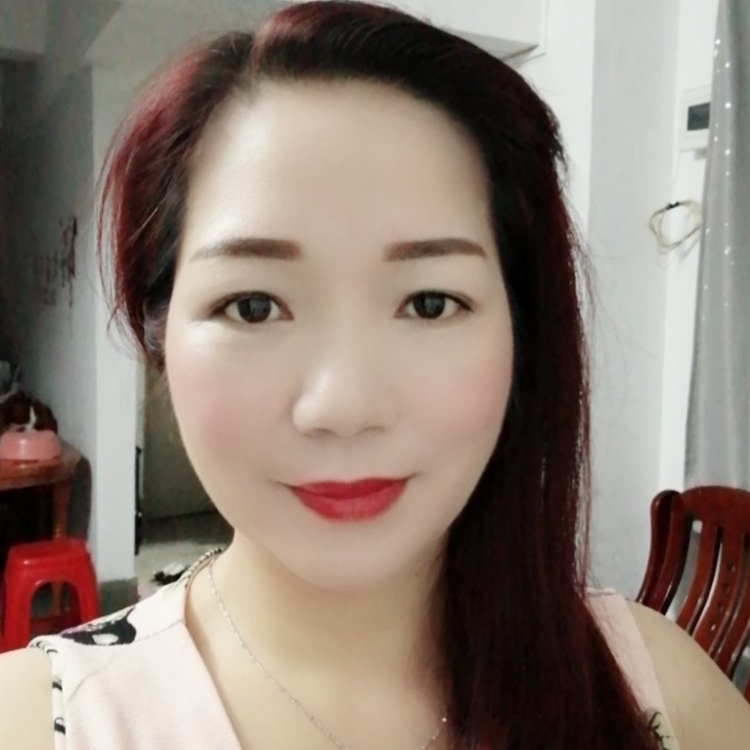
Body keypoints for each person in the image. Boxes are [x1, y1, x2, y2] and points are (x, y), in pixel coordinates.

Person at [1, 2, 749, 748]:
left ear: (523, 334)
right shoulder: (43, 721)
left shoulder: (661, 696)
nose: (345, 405)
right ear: (158, 334)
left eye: (429, 303)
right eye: (254, 305)